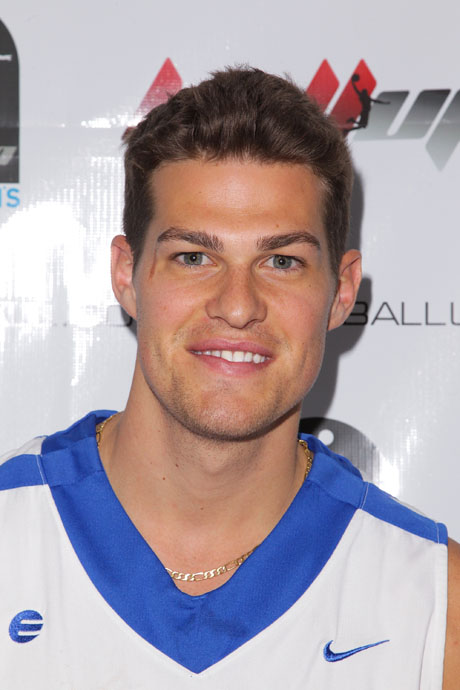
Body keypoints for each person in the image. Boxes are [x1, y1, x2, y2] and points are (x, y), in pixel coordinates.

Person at [1, 67, 459, 689]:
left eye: (281, 261)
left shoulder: (437, 607)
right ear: (126, 276)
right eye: (194, 257)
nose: (238, 306)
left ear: (341, 291)